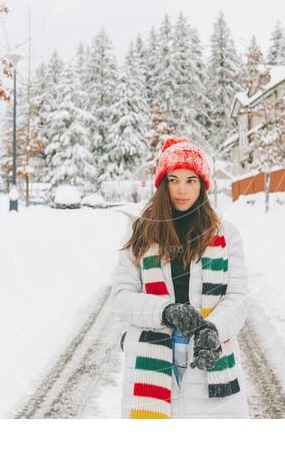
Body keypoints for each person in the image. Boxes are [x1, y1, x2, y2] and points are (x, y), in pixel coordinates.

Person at [110, 136, 250, 419]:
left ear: (203, 185)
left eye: (191, 180)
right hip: (152, 364)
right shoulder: (140, 233)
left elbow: (238, 298)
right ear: (163, 184)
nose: (182, 190)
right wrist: (165, 312)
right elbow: (120, 299)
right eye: (174, 180)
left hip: (208, 359)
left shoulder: (226, 235)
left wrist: (214, 329)